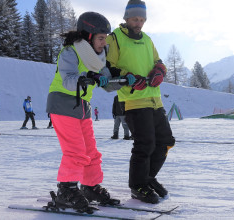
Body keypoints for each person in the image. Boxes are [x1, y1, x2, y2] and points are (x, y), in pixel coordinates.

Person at [45, 11, 118, 212]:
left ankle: (90, 186)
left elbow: (110, 85)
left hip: (82, 106)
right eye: (101, 38)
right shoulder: (70, 52)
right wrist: (89, 76)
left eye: (106, 39)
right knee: (75, 151)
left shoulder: (98, 58)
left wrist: (128, 79)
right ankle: (66, 190)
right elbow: (69, 80)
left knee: (90, 151)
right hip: (62, 103)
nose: (104, 43)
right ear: (88, 35)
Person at [106, 0, 176, 204]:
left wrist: (159, 71)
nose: (139, 23)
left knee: (165, 141)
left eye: (142, 19)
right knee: (145, 144)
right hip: (133, 100)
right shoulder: (115, 38)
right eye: (135, 19)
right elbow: (108, 67)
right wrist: (128, 76)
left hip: (155, 100)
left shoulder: (147, 39)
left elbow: (158, 62)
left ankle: (147, 178)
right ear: (126, 18)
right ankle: (137, 186)